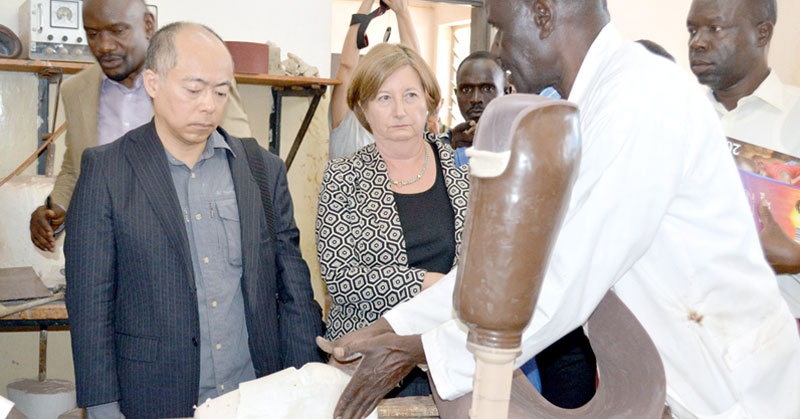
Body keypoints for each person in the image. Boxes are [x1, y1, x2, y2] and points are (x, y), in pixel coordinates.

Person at [321, 0, 800, 418]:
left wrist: (418, 351)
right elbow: (516, 265)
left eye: (504, 29)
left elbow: (561, 280)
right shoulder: (591, 107)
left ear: (543, 15)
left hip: (740, 392)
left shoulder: (639, 99)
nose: (501, 50)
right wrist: (394, 326)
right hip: (692, 382)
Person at [65, 22, 324, 419]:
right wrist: (102, 406)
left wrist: (307, 382)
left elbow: (295, 291)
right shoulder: (107, 171)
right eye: (194, 89)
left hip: (256, 395)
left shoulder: (261, 171)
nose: (209, 105)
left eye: (221, 91)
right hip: (153, 397)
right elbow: (90, 304)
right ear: (153, 83)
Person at [29, 0, 251, 252]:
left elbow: (240, 158)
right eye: (93, 34)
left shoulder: (200, 80)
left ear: (147, 25)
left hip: (187, 249)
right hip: (106, 252)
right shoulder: (75, 91)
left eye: (118, 31)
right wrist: (56, 209)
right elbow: (74, 166)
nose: (104, 46)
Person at [316, 42, 469, 397]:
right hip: (365, 359)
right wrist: (427, 284)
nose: (400, 110)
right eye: (384, 98)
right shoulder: (343, 177)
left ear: (430, 102)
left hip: (449, 357)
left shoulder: (465, 174)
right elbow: (340, 278)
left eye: (411, 95)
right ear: (363, 108)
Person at [688, 0, 800, 314]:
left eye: (716, 28)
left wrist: (796, 258)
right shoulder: (678, 119)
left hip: (782, 335)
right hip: (689, 334)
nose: (698, 42)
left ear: (762, 33)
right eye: (693, 30)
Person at [329, 0, 422, 159]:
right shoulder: (350, 124)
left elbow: (416, 69)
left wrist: (402, 11)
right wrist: (368, 2)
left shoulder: (401, 124)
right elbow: (347, 66)